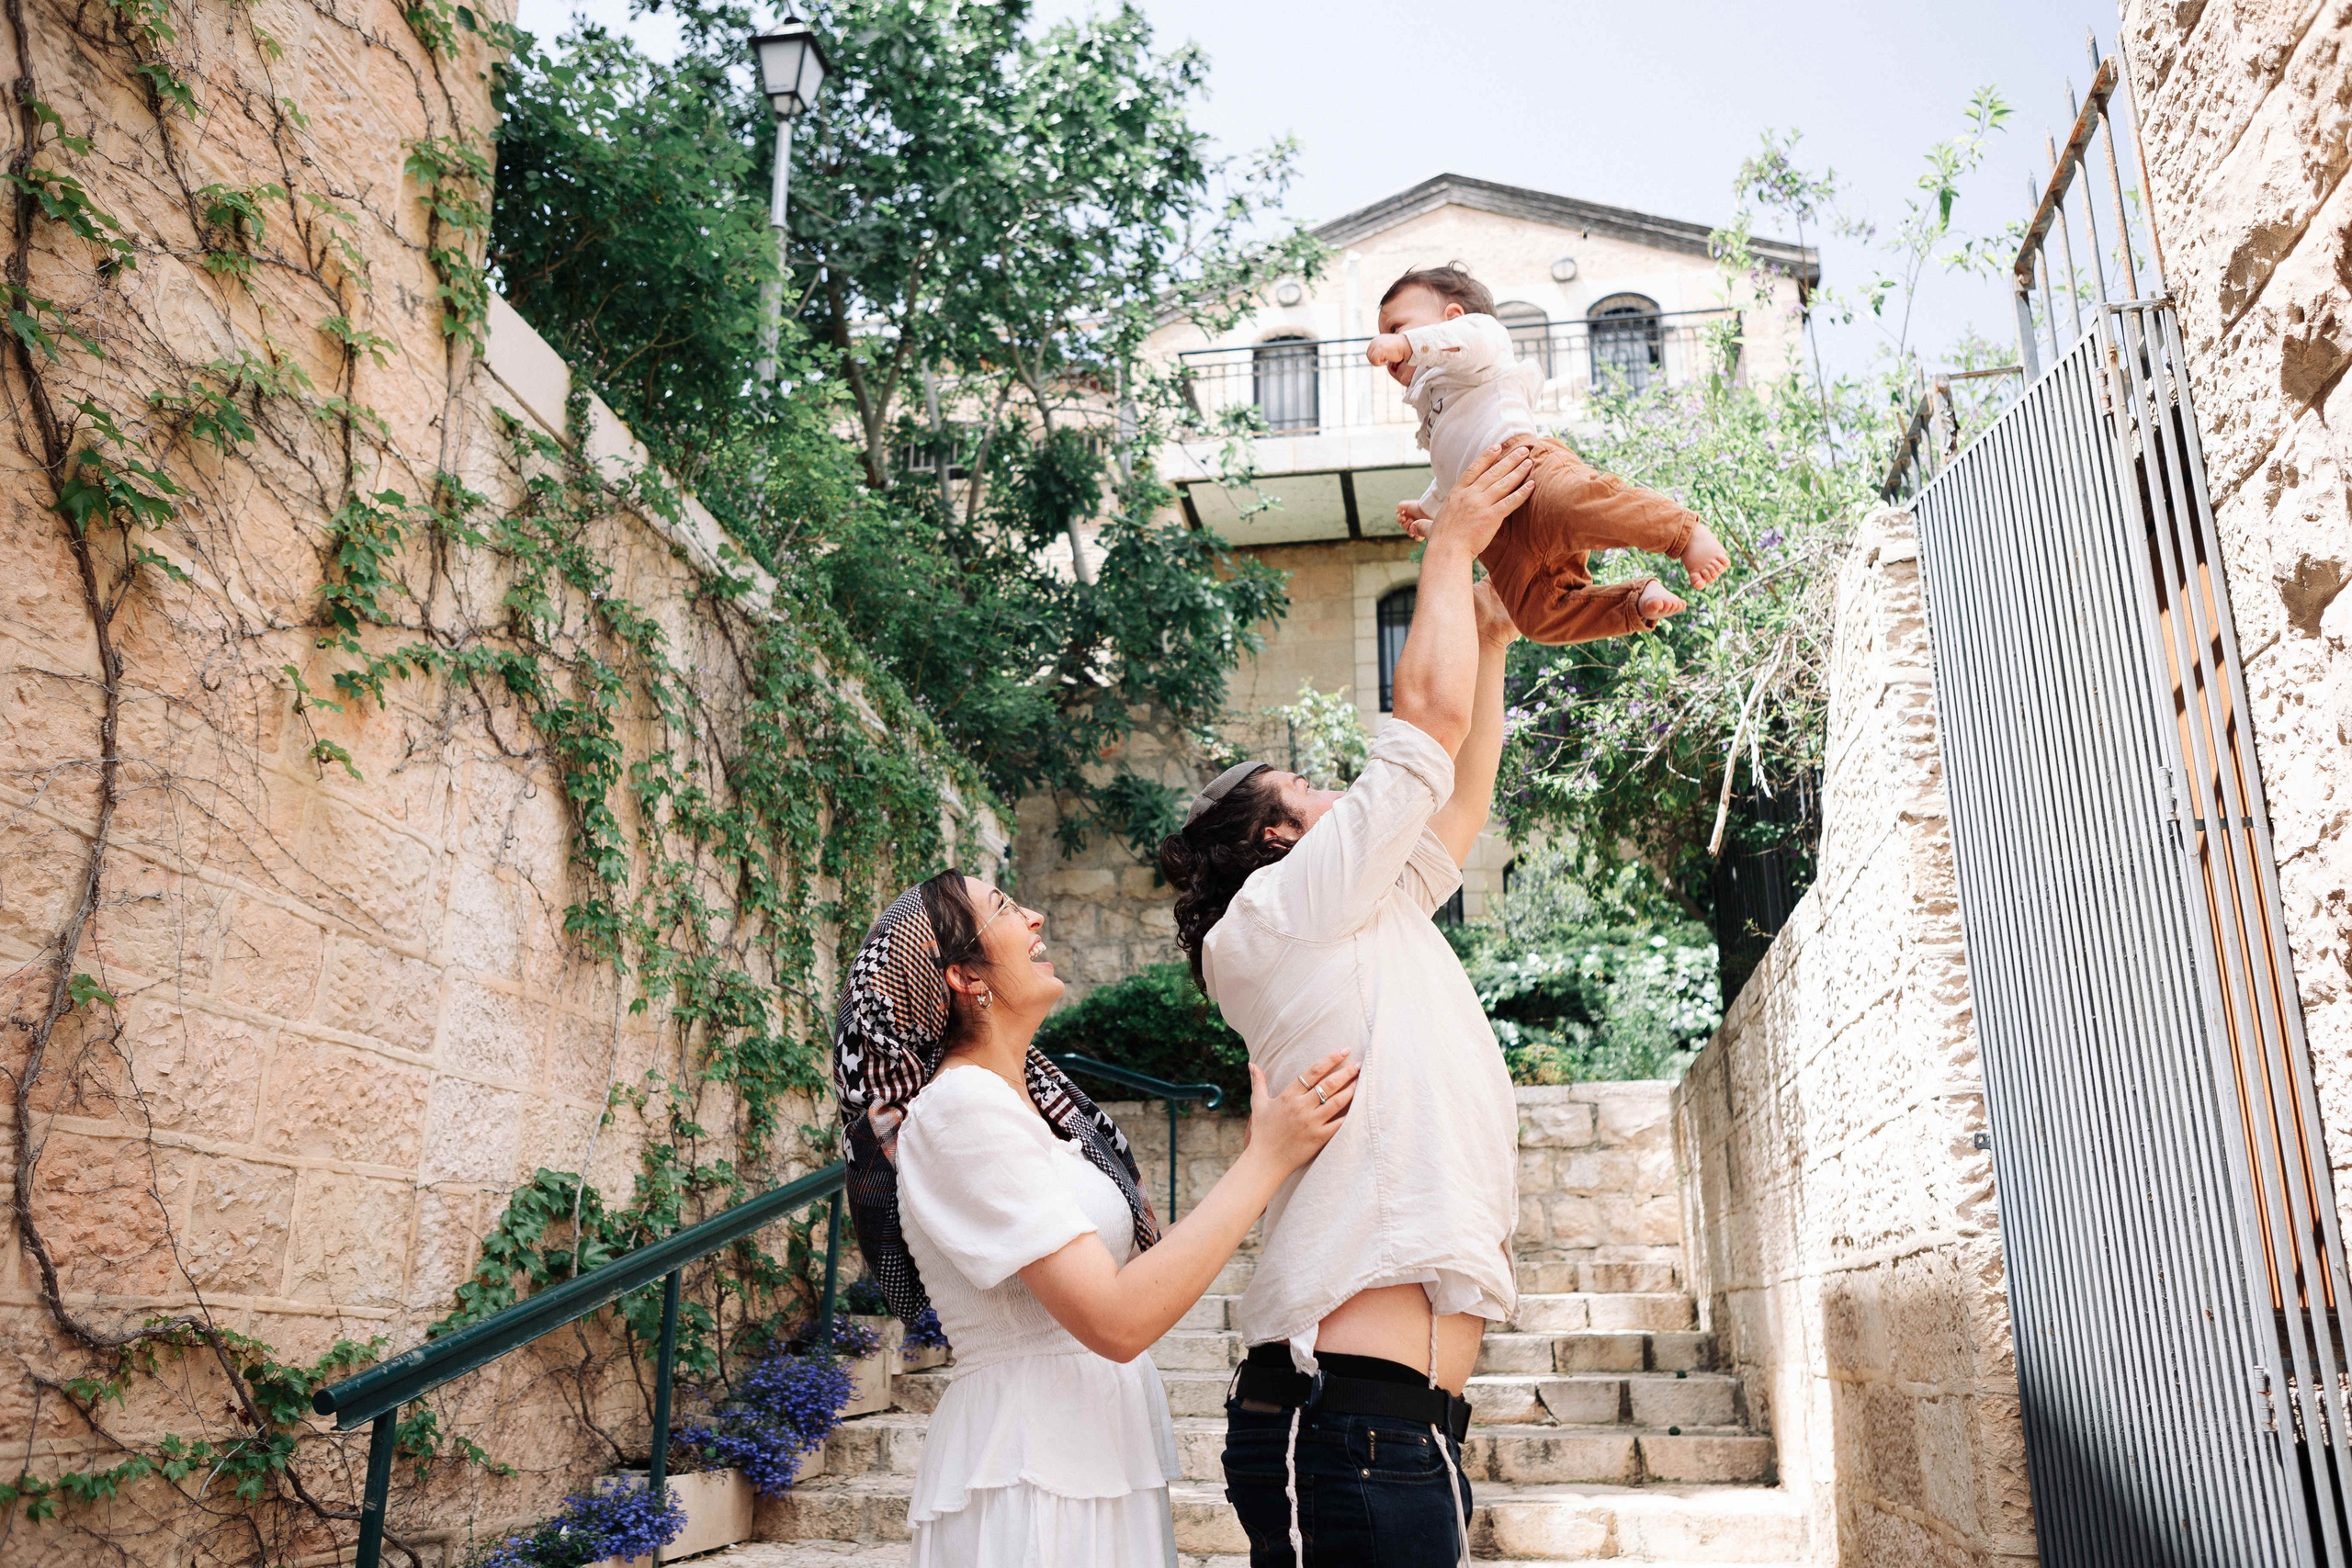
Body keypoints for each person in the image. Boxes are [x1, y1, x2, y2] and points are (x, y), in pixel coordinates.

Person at [1154, 440, 1538, 1567]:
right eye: (1316, 792)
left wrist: (1493, 640)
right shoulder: (1277, 911)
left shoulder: (1360, 913)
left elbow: (1456, 806)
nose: (1342, 799)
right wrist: (1452, 544)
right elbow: (1424, 735)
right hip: (1354, 1423)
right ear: (1278, 835)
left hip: (1408, 1431)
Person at [831, 869, 1361, 1568]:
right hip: (1031, 1471)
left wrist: (1263, 1162)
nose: (1034, 915)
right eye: (1003, 907)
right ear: (964, 976)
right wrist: (1265, 1162)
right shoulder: (960, 1111)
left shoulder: (1030, 1113)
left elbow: (1140, 1282)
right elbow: (1114, 1319)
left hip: (1089, 1450)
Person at [1367, 262, 1731, 646]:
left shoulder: (1478, 342)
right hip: (1497, 526)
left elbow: (1467, 340)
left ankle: (1684, 533)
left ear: (1453, 318)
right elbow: (1453, 472)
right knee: (1536, 617)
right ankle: (1633, 603)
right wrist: (1428, 509)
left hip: (1525, 470)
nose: (1387, 342)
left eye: (1396, 327)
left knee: (1586, 506)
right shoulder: (1433, 406)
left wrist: (1408, 345)